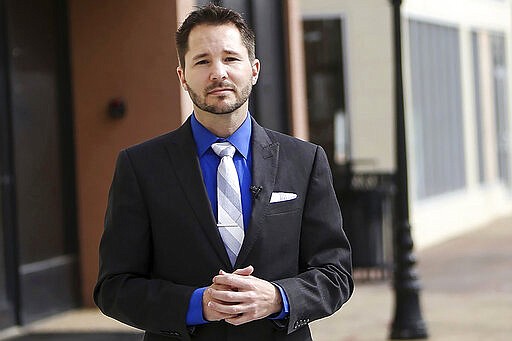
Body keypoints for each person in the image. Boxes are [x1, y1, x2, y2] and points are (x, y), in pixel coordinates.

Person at [94, 4, 353, 341]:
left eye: (231, 58)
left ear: (254, 70)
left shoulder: (305, 161)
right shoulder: (140, 166)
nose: (218, 72)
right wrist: (196, 304)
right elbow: (114, 287)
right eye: (202, 61)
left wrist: (278, 298)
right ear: (182, 76)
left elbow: (336, 274)